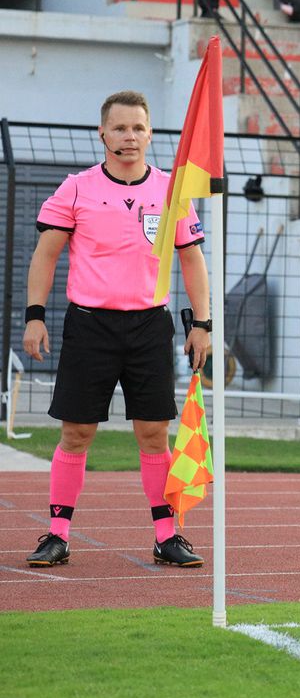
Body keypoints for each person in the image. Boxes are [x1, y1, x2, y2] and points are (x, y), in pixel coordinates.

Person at [22, 91, 212, 568]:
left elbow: (192, 259)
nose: (130, 137)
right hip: (90, 326)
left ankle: (167, 536)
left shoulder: (171, 190)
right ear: (102, 133)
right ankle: (57, 535)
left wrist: (203, 324)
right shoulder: (77, 188)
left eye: (138, 128)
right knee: (77, 432)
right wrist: (35, 315)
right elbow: (45, 255)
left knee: (154, 432)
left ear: (150, 134)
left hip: (150, 325)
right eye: (120, 128)